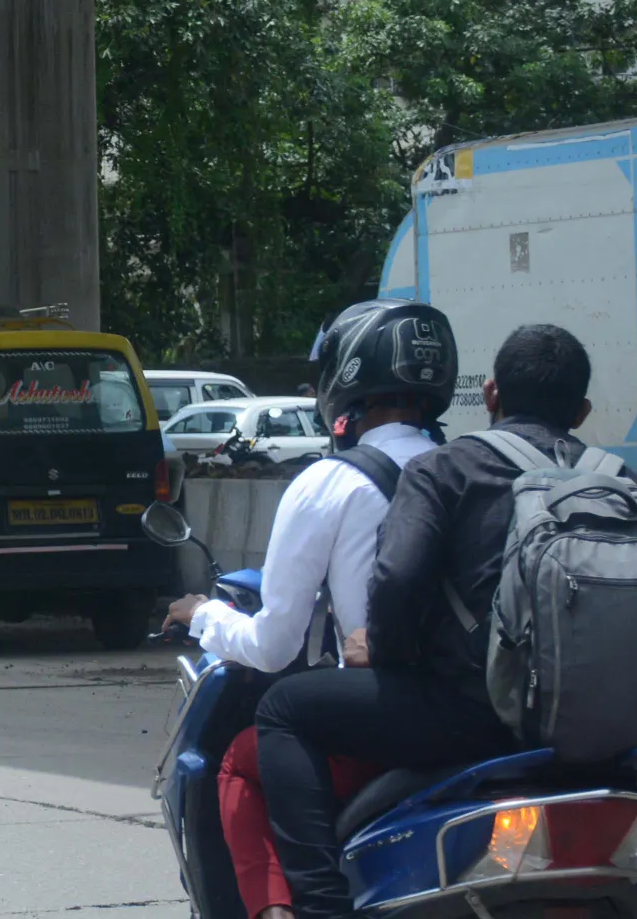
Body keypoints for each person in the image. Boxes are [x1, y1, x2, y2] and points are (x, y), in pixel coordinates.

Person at [257, 324, 598, 919]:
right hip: (596, 727)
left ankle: (321, 907)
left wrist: (383, 649)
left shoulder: (451, 467)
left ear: (491, 394)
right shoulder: (613, 479)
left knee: (282, 709)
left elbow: (397, 580)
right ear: (583, 411)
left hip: (476, 716)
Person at [164, 302, 453, 919]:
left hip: (389, 719)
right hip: (484, 711)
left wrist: (204, 615)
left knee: (243, 759)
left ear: (346, 375)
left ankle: (294, 907)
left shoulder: (331, 482)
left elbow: (275, 645)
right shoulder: (474, 467)